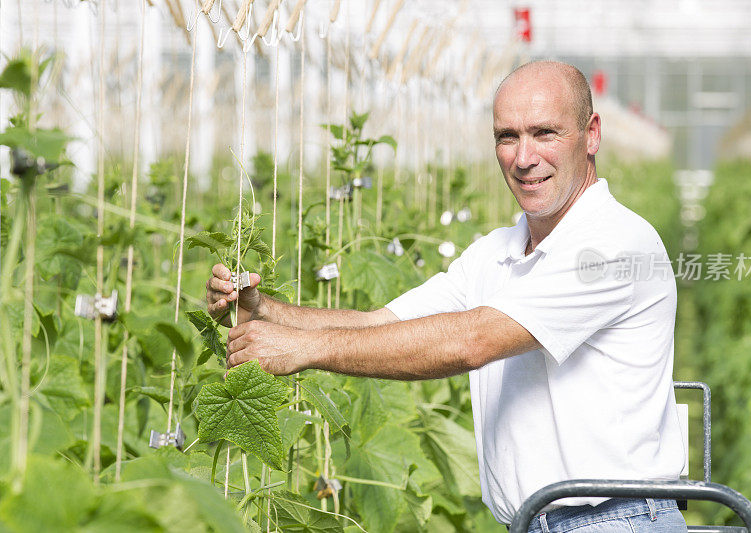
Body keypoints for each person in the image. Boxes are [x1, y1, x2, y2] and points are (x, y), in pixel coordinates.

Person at [206, 61, 688, 532]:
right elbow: (382, 323)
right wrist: (265, 310)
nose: (523, 157)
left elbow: (471, 342)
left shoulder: (613, 245)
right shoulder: (495, 252)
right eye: (507, 136)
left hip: (614, 521)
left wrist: (303, 349)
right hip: (540, 521)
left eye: (545, 133)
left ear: (592, 134)